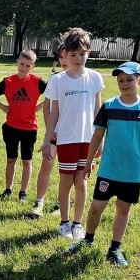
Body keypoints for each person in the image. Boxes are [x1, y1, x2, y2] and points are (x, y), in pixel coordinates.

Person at [69, 62, 140, 265]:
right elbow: (97, 136)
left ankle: (115, 249)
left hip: (132, 172)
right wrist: (88, 162)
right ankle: (88, 240)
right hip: (109, 170)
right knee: (96, 208)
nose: (124, 83)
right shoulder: (109, 106)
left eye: (130, 79)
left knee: (123, 209)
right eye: (120, 80)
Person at [40, 28, 105, 239]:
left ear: (89, 52)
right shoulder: (58, 80)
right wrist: (48, 139)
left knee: (82, 181)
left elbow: (97, 111)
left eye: (82, 54)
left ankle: (78, 224)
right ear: (65, 54)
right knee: (66, 181)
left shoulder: (95, 78)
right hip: (66, 140)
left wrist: (100, 139)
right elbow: (53, 113)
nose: (78, 58)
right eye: (73, 54)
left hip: (88, 141)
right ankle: (65, 223)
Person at [0, 49, 47, 201]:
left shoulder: (37, 81)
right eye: (21, 64)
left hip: (29, 128)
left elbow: (53, 95)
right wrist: (3, 107)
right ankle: (8, 189)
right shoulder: (8, 81)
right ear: (17, 62)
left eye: (28, 65)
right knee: (11, 159)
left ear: (32, 67)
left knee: (27, 161)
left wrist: (38, 107)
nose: (23, 68)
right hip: (11, 127)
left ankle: (23, 192)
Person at [26, 43, 69, 218]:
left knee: (66, 172)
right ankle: (39, 203)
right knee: (47, 165)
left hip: (72, 136)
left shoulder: (83, 79)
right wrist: (49, 130)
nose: (64, 60)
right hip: (54, 133)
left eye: (68, 55)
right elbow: (47, 108)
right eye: (61, 56)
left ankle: (61, 204)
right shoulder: (55, 79)